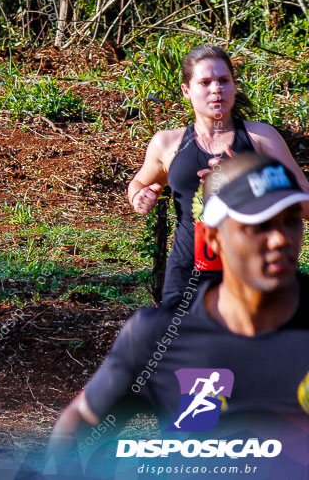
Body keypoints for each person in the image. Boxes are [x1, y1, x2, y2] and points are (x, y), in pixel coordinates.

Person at [50, 154, 309, 475]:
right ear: (213, 237)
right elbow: (78, 423)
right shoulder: (159, 337)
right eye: (258, 225)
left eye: (291, 219)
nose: (281, 239)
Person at [127, 45, 308, 304]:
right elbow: (140, 183)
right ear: (186, 91)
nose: (216, 89)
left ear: (234, 86)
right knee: (186, 343)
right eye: (205, 82)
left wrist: (252, 180)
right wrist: (138, 196)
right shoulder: (168, 143)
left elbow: (305, 204)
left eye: (224, 80)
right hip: (188, 274)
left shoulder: (261, 138)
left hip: (256, 270)